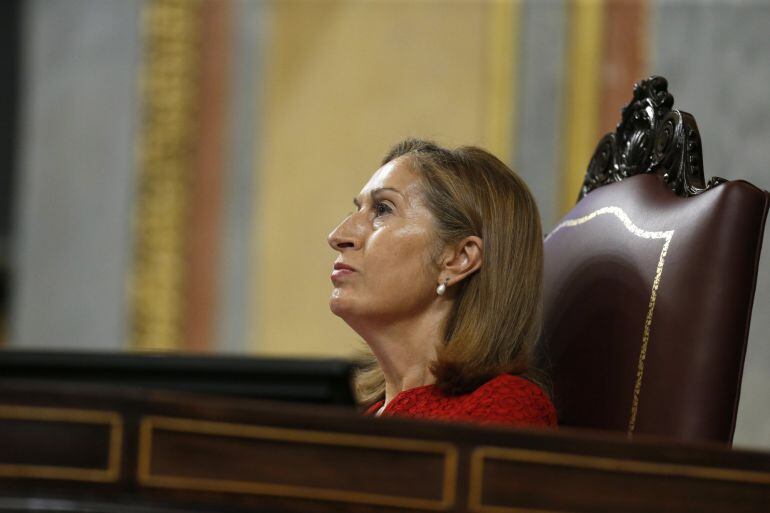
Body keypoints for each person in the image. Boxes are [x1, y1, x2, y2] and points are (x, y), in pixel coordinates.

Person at [327, 138, 556, 427]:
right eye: (357, 210)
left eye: (383, 209)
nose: (337, 236)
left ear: (458, 258)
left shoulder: (502, 409)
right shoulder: (370, 416)